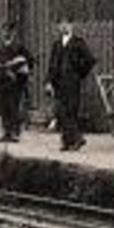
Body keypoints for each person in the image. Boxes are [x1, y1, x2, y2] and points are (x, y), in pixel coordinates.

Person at [45, 19, 95, 151]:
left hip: (72, 82)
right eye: (61, 24)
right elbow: (52, 65)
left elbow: (90, 60)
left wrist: (79, 73)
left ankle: (73, 140)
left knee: (71, 110)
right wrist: (49, 81)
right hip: (59, 82)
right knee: (60, 111)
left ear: (72, 26)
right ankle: (71, 139)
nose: (63, 26)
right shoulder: (56, 44)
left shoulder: (78, 42)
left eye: (66, 23)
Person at [0, 22, 33, 142]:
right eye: (4, 31)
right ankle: (6, 132)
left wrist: (20, 71)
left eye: (9, 31)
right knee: (4, 108)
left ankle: (15, 133)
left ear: (14, 33)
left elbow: (29, 61)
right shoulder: (0, 49)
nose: (6, 34)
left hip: (15, 83)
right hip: (3, 82)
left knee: (14, 107)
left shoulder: (19, 47)